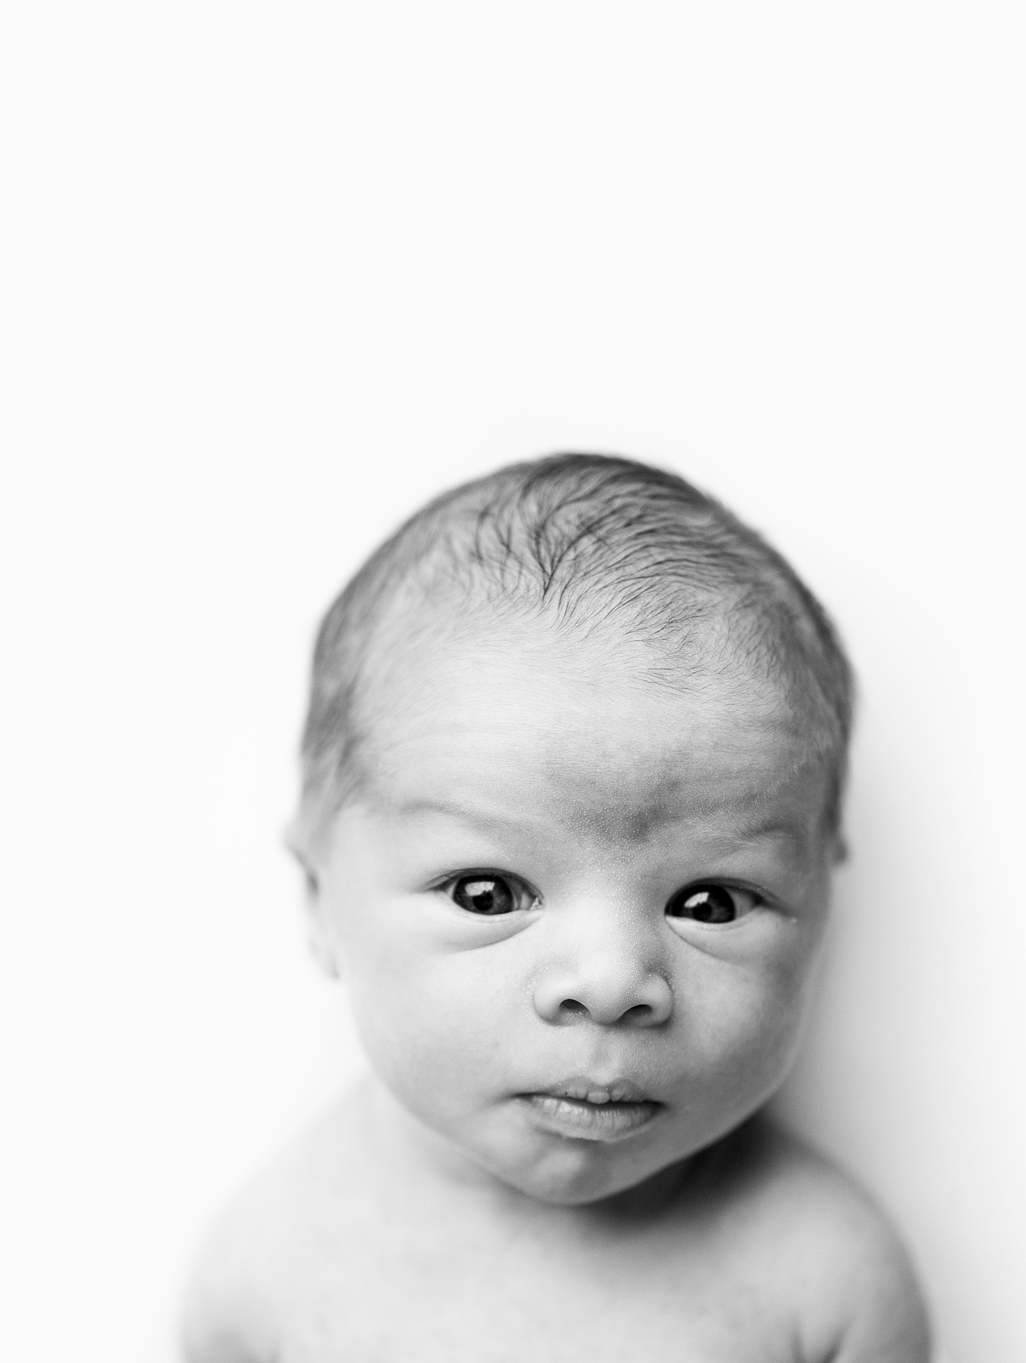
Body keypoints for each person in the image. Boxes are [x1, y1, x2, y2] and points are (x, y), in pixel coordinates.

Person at [184, 454, 930, 1361]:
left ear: (817, 905)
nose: (613, 981)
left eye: (712, 900)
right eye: (488, 893)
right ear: (316, 896)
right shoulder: (271, 1272)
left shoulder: (823, 1284)